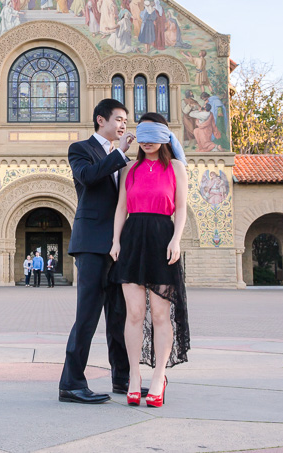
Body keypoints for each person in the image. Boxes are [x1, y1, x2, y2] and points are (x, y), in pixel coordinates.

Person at [59, 99, 137, 404]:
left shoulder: (123, 159)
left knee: (119, 315)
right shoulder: (81, 149)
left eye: (125, 122)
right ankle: (71, 383)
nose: (122, 126)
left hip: (118, 245)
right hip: (91, 244)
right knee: (88, 315)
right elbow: (88, 178)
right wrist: (119, 155)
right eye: (118, 119)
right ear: (100, 120)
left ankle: (123, 378)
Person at [111, 112, 190, 408]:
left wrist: (176, 240)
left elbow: (181, 208)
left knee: (159, 314)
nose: (145, 142)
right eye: (141, 136)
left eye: (152, 137)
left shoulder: (177, 168)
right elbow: (121, 207)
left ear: (164, 137)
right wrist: (116, 241)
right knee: (133, 313)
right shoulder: (129, 168)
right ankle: (134, 376)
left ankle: (159, 377)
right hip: (131, 239)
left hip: (161, 239)